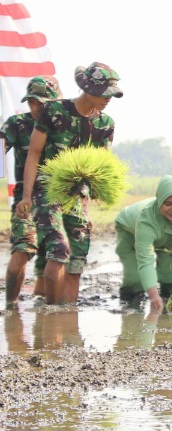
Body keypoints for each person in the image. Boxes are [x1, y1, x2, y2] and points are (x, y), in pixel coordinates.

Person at [15, 62, 123, 305]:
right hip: (47, 191)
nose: (108, 99)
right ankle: (51, 314)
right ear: (88, 89)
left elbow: (97, 170)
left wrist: (87, 210)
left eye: (112, 95)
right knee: (58, 249)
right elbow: (33, 154)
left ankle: (67, 317)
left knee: (77, 259)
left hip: (77, 198)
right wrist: (26, 195)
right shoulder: (54, 111)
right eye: (105, 94)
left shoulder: (105, 125)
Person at [2, 76, 62, 304]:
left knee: (55, 254)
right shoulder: (17, 124)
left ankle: (49, 311)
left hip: (58, 200)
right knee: (22, 249)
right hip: (26, 199)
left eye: (42, 102)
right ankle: (10, 306)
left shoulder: (65, 126)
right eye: (32, 102)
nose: (36, 107)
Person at [115, 175, 172, 311]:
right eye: (167, 204)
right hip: (130, 230)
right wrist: (153, 296)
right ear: (159, 201)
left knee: (171, 278)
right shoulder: (146, 221)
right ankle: (130, 312)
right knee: (135, 279)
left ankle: (169, 318)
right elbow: (145, 261)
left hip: (168, 233)